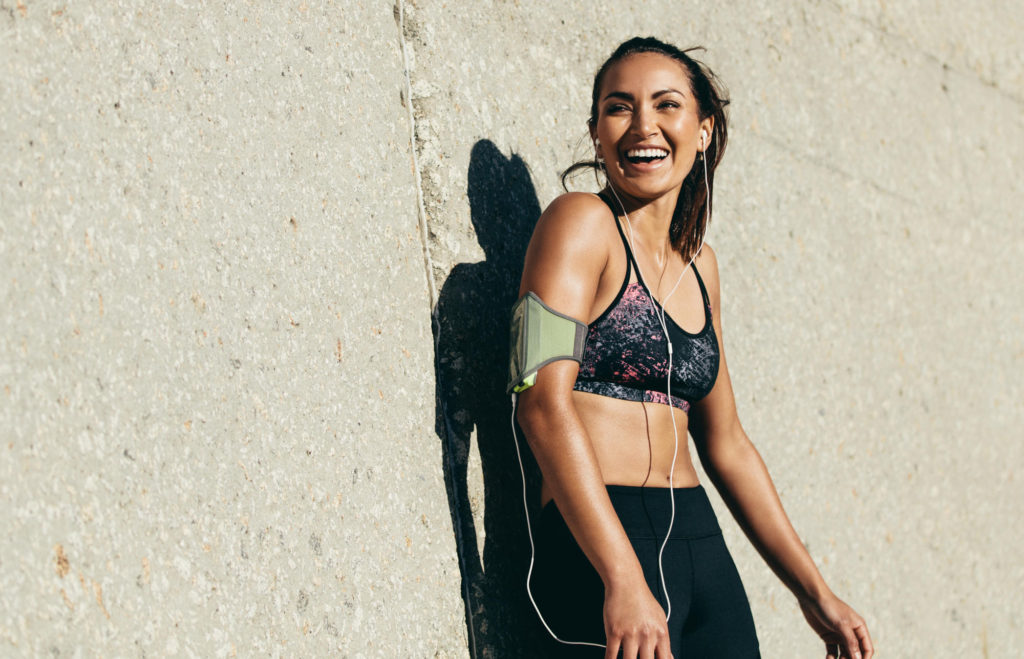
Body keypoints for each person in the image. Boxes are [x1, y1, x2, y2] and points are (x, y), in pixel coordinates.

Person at [511, 37, 874, 659]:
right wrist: (622, 577)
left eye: (666, 105)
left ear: (702, 130)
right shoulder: (578, 223)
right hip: (598, 542)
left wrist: (815, 592)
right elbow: (539, 400)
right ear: (595, 131)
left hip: (701, 547)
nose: (642, 126)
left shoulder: (700, 268)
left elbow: (727, 444)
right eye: (619, 107)